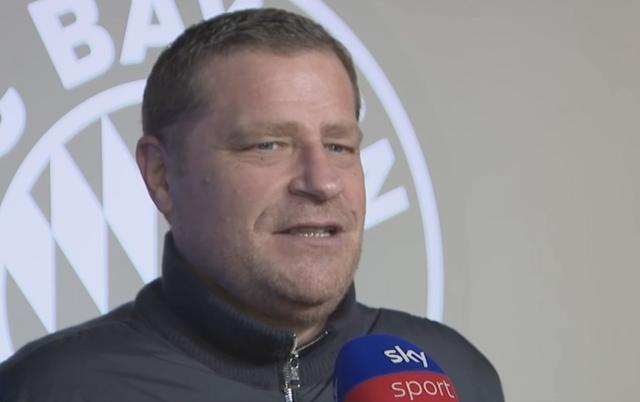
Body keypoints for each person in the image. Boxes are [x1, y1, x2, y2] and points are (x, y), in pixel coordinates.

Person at [0, 8, 503, 402]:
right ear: (161, 175)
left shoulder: (454, 373)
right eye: (268, 145)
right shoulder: (47, 389)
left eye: (339, 146)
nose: (322, 182)